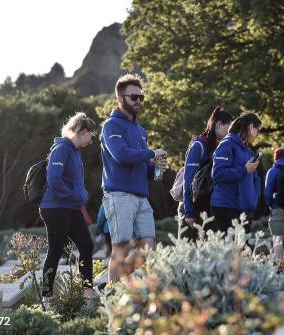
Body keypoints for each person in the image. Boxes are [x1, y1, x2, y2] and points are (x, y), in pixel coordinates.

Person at [101, 74, 167, 282]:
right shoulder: (111, 125)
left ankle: (114, 283)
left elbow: (146, 170)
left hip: (141, 195)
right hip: (119, 194)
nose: (138, 101)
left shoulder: (140, 130)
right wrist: (150, 153)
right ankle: (111, 293)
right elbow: (121, 155)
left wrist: (157, 168)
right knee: (120, 246)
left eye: (141, 97)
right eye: (133, 97)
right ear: (120, 98)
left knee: (148, 247)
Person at [39, 112, 97, 301]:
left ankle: (87, 290)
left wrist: (82, 196)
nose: (92, 139)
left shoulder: (74, 151)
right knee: (56, 249)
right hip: (55, 208)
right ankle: (47, 295)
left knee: (86, 246)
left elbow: (74, 182)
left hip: (70, 207)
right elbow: (53, 179)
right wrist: (73, 196)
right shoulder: (62, 148)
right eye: (91, 135)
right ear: (83, 131)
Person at [180, 107, 233, 238]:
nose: (230, 133)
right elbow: (188, 181)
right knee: (188, 255)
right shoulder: (199, 146)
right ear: (219, 124)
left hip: (209, 210)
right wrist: (189, 212)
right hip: (192, 210)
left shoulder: (219, 148)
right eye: (229, 128)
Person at [210, 112, 262, 233]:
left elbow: (255, 179)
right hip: (224, 206)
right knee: (235, 249)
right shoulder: (227, 144)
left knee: (244, 248)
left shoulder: (247, 150)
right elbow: (217, 174)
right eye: (257, 130)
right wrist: (244, 170)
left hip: (242, 208)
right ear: (250, 127)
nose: (258, 135)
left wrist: (254, 198)